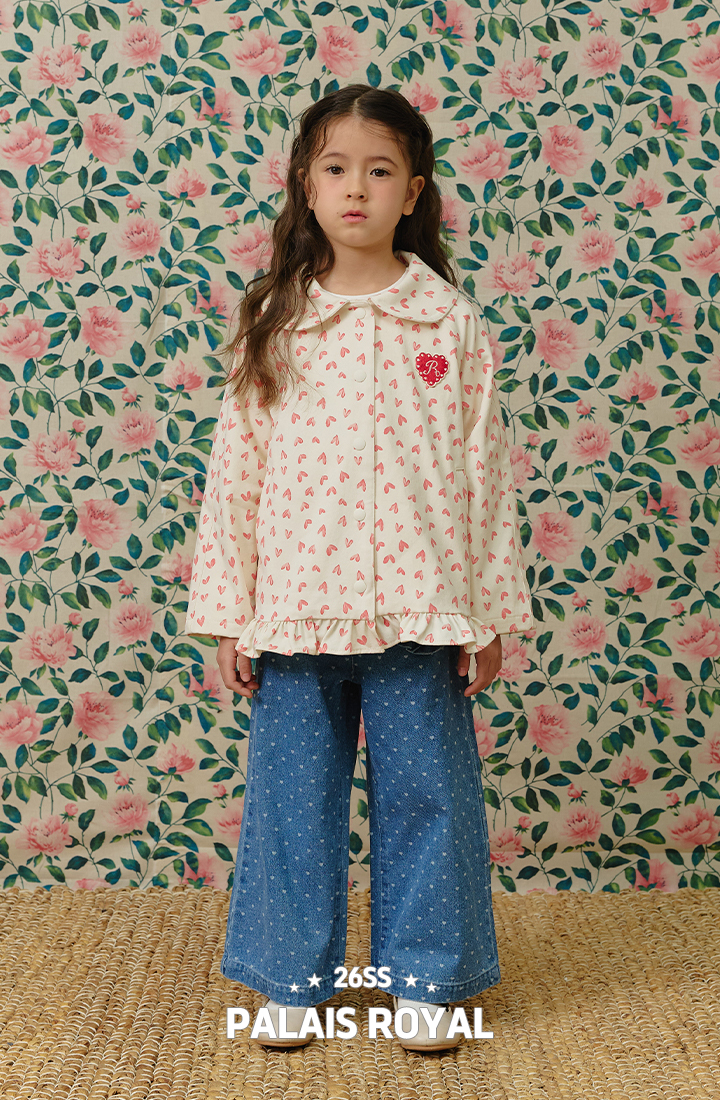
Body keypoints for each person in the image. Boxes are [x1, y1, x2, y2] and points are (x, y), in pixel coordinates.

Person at [185, 83, 533, 1051]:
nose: (356, 188)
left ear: (413, 191)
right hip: (295, 611)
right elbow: (236, 473)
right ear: (306, 184)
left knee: (430, 799)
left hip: (424, 610)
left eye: (379, 171)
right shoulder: (277, 318)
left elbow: (485, 477)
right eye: (336, 169)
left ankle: (426, 977)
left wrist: (489, 615)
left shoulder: (449, 324)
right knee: (291, 805)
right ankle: (290, 978)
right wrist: (229, 614)